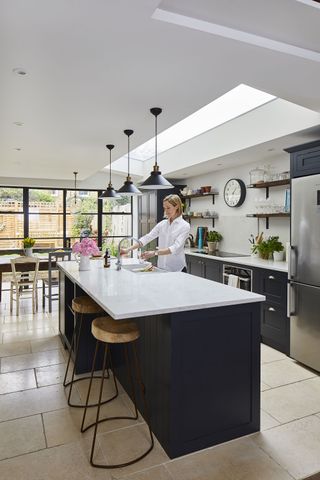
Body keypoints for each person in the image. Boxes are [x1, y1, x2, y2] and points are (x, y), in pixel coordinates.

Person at [121, 194, 190, 272]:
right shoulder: (162, 224)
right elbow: (147, 237)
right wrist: (128, 249)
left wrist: (154, 253)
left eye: (168, 208)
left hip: (177, 269)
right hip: (162, 268)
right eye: (164, 208)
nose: (166, 211)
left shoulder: (184, 226)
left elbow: (175, 248)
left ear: (177, 206)